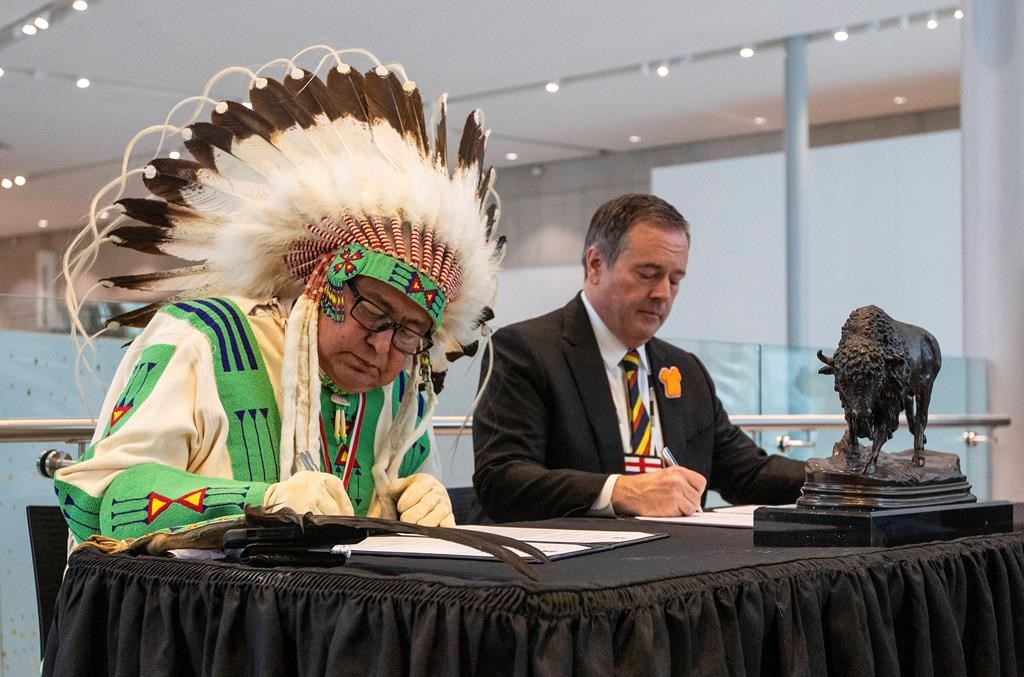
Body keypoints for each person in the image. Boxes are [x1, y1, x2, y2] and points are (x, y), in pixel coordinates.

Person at [54, 46, 504, 543]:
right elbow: (102, 498)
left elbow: (392, 500)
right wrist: (261, 504)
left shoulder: (399, 393)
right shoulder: (203, 339)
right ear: (319, 285)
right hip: (202, 615)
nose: (383, 346)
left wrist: (416, 497)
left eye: (410, 332)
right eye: (373, 310)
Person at [472, 194, 804, 522]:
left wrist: (843, 478)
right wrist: (622, 492)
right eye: (647, 274)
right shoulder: (526, 350)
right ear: (596, 264)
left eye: (675, 280)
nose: (663, 294)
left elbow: (747, 472)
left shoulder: (685, 370)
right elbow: (502, 480)